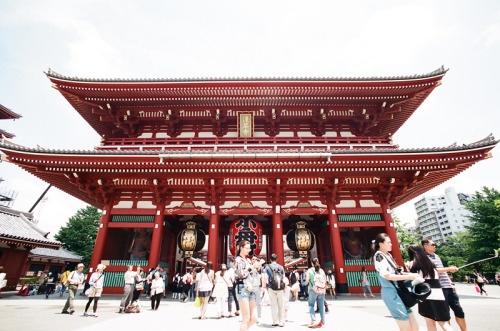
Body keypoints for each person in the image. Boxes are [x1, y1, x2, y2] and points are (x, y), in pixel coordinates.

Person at [373, 233, 419, 331]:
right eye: (388, 242)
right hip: (391, 291)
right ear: (380, 244)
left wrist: (410, 275)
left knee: (411, 319)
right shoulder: (379, 256)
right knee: (404, 321)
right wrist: (409, 276)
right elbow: (387, 275)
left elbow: (397, 272)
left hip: (400, 290)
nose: (391, 244)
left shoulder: (388, 255)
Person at [422, 239, 467, 331]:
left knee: (459, 310)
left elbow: (443, 270)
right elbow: (433, 271)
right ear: (425, 245)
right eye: (433, 244)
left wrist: (451, 283)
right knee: (445, 313)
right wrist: (449, 268)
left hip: (448, 286)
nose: (435, 246)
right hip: (439, 288)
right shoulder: (424, 258)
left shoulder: (437, 256)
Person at [407, 243, 453, 331]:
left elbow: (413, 279)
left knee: (429, 321)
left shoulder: (413, 263)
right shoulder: (430, 262)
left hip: (425, 293)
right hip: (438, 293)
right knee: (443, 322)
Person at [235, 240, 260, 330]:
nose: (249, 250)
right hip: (242, 288)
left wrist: (257, 267)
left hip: (250, 288)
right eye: (247, 248)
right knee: (246, 318)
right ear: (241, 248)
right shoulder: (238, 260)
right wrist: (251, 267)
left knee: (254, 318)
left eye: (249, 248)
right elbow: (241, 275)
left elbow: (252, 274)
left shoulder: (248, 260)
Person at [264, 253, 285, 327]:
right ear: (277, 259)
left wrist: (264, 287)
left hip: (271, 287)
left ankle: (275, 321)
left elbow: (265, 277)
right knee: (281, 305)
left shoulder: (267, 267)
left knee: (273, 305)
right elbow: (283, 278)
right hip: (280, 288)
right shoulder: (281, 267)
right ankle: (281, 321)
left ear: (270, 259)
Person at [306, 258, 327, 328]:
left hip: (313, 289)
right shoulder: (321, 271)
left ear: (312, 263)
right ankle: (322, 322)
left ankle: (313, 319)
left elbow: (307, 280)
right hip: (321, 290)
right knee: (321, 306)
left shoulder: (310, 270)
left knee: (311, 305)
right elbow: (325, 280)